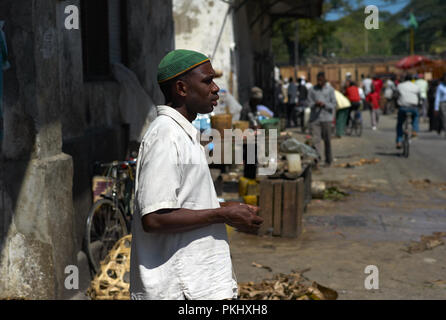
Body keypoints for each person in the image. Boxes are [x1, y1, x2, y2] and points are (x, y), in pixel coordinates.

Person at [130, 49, 264, 300]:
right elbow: (155, 218)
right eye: (207, 81)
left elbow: (183, 203)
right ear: (181, 88)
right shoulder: (165, 136)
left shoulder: (183, 133)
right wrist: (222, 213)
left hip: (197, 285)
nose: (216, 89)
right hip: (181, 289)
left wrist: (228, 209)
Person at [307, 72, 337, 167]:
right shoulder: (312, 90)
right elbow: (309, 103)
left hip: (326, 118)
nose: (319, 82)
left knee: (327, 140)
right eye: (318, 80)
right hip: (315, 119)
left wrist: (324, 104)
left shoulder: (330, 90)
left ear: (324, 80)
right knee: (316, 140)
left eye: (321, 80)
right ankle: (317, 160)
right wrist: (315, 104)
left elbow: (334, 104)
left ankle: (328, 160)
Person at [395, 74, 421, 149]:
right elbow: (419, 97)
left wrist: (397, 105)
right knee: (416, 117)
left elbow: (396, 96)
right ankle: (414, 131)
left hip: (403, 107)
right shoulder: (416, 86)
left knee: (400, 124)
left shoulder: (400, 85)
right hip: (413, 107)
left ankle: (399, 141)